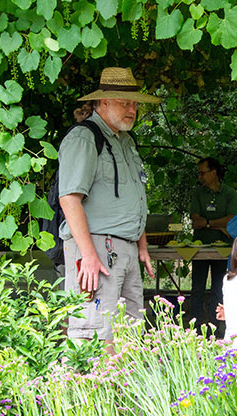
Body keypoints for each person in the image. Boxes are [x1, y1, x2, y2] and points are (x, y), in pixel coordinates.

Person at [58, 67, 160, 354]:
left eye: (135, 103)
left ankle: (121, 398)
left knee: (129, 334)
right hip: (96, 250)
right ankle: (87, 397)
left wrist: (141, 244)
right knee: (93, 333)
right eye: (125, 102)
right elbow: (69, 200)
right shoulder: (84, 137)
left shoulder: (126, 141)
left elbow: (133, 195)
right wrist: (88, 256)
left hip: (124, 249)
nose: (133, 109)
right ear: (103, 102)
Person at [189, 157, 237, 328]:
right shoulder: (197, 193)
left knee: (219, 289)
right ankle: (194, 330)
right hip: (199, 249)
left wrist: (208, 223)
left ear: (214, 173)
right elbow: (195, 221)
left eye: (203, 173)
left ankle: (215, 329)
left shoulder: (229, 193)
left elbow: (232, 220)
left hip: (222, 249)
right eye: (199, 173)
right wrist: (220, 224)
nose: (200, 177)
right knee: (197, 290)